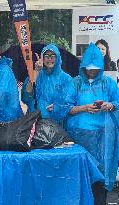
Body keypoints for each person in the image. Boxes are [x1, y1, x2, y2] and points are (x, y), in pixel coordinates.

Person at [67, 43, 119, 205]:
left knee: (100, 177)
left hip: (103, 138)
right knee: (81, 176)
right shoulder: (75, 83)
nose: (92, 70)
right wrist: (84, 108)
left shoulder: (107, 82)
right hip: (79, 138)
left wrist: (108, 105)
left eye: (95, 67)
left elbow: (117, 102)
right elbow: (65, 108)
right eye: (88, 67)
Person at [21, 43, 74, 124]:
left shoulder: (66, 78)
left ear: (58, 58)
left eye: (53, 56)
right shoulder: (36, 74)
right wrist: (36, 71)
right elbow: (26, 96)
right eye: (46, 56)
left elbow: (70, 101)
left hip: (56, 124)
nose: (49, 58)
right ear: (42, 58)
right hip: (35, 121)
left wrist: (58, 107)